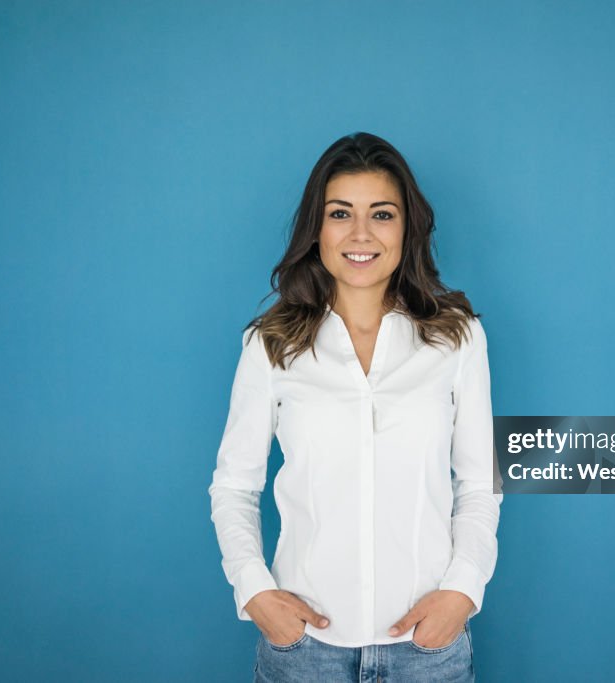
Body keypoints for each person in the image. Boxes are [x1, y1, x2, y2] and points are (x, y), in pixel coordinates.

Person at [208, 132, 503, 682]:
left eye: (382, 214)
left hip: (428, 652)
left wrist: (463, 591)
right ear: (316, 229)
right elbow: (233, 486)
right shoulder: (271, 344)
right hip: (304, 652)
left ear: (407, 228)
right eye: (340, 213)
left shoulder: (457, 338)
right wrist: (255, 592)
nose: (361, 234)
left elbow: (480, 484)